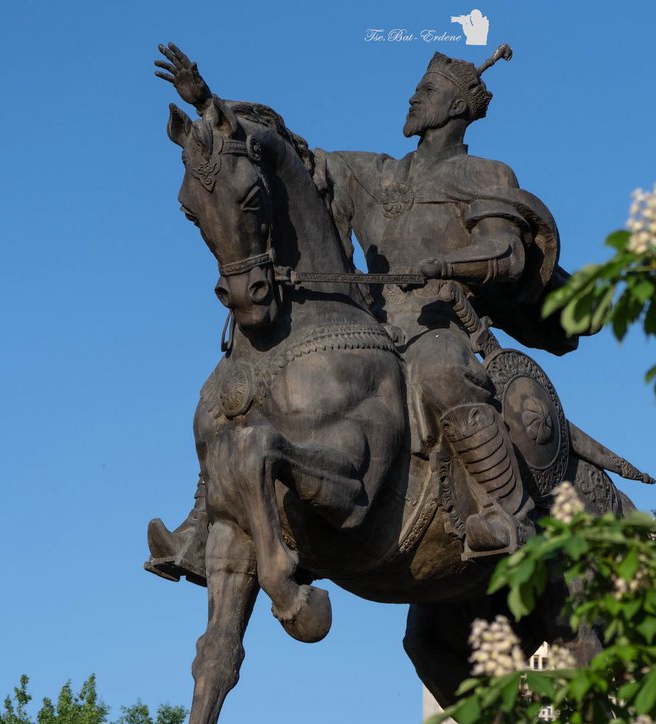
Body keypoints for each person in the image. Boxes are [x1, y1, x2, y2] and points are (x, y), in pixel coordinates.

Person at [147, 43, 575, 580]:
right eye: (417, 89)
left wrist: (444, 264)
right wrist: (210, 103)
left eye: (429, 91)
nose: (414, 98)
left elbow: (506, 252)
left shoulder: (487, 174)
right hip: (364, 321)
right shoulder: (370, 171)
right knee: (227, 384)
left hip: (434, 319)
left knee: (445, 374)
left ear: (460, 106)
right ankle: (203, 520)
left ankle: (504, 511)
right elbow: (285, 153)